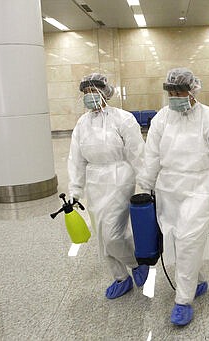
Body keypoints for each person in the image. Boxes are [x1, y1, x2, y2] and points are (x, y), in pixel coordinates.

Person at [137, 68, 209, 326]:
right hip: (167, 188)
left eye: (179, 92)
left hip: (198, 188)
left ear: (193, 91)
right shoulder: (162, 119)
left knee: (188, 240)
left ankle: (183, 301)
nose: (174, 97)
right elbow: (152, 156)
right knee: (172, 241)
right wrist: (144, 185)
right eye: (170, 93)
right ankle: (197, 280)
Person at [68, 73, 149, 299]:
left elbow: (137, 152)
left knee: (113, 233)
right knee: (102, 236)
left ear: (105, 92)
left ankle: (136, 262)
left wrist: (147, 182)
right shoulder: (82, 124)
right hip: (94, 180)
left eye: (92, 92)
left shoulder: (123, 119)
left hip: (120, 176)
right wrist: (75, 190)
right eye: (85, 93)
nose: (88, 97)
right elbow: (76, 159)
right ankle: (120, 278)